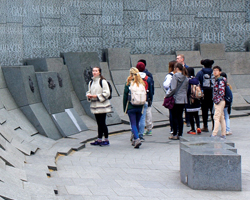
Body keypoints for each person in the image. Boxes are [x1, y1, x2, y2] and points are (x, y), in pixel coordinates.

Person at [86, 67, 112, 146]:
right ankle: (99, 139)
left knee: (102, 123)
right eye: (93, 71)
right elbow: (89, 91)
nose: (94, 72)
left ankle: (106, 139)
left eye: (96, 71)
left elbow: (107, 93)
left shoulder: (103, 81)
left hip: (102, 106)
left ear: (99, 72)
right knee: (99, 123)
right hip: (95, 106)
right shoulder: (91, 82)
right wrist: (88, 95)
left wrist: (96, 96)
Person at [123, 67, 145, 148]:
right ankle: (135, 138)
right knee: (137, 123)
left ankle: (137, 138)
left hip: (131, 106)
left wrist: (125, 107)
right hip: (140, 106)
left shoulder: (128, 83)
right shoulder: (142, 84)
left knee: (133, 124)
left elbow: (125, 96)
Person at [166, 63, 189, 140]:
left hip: (176, 98)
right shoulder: (185, 77)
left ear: (176, 69)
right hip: (183, 99)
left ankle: (175, 133)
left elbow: (173, 88)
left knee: (174, 116)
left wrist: (167, 95)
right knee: (180, 116)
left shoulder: (175, 76)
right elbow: (186, 88)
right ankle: (180, 133)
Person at [196, 59, 215, 132]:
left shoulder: (200, 73)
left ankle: (205, 126)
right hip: (213, 93)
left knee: (204, 110)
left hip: (204, 93)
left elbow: (197, 82)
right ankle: (214, 126)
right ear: (211, 65)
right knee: (213, 110)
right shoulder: (213, 72)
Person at [136, 62, 153, 141]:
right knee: (143, 118)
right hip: (145, 99)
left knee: (135, 118)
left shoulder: (134, 77)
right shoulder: (148, 78)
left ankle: (135, 133)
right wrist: (150, 99)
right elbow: (151, 90)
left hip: (135, 100)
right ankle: (141, 134)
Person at [211, 66, 226, 139]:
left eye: (216, 70)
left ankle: (214, 133)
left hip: (219, 101)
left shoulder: (220, 80)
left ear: (220, 72)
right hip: (221, 100)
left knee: (216, 117)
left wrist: (217, 100)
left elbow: (221, 92)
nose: (215, 72)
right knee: (221, 117)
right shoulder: (218, 80)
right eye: (214, 70)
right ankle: (223, 133)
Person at [186, 67, 201, 135]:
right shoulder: (196, 80)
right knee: (196, 114)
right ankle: (198, 127)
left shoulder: (187, 80)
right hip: (196, 99)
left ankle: (193, 129)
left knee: (190, 115)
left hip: (190, 99)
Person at [163, 60, 177, 134]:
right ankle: (178, 128)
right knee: (179, 114)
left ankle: (173, 128)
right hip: (180, 96)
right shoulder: (182, 75)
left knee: (172, 113)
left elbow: (166, 85)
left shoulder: (169, 76)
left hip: (171, 96)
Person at [176, 54, 189, 127]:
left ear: (182, 59)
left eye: (178, 58)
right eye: (177, 58)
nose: (177, 60)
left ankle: (187, 120)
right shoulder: (176, 70)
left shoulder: (187, 68)